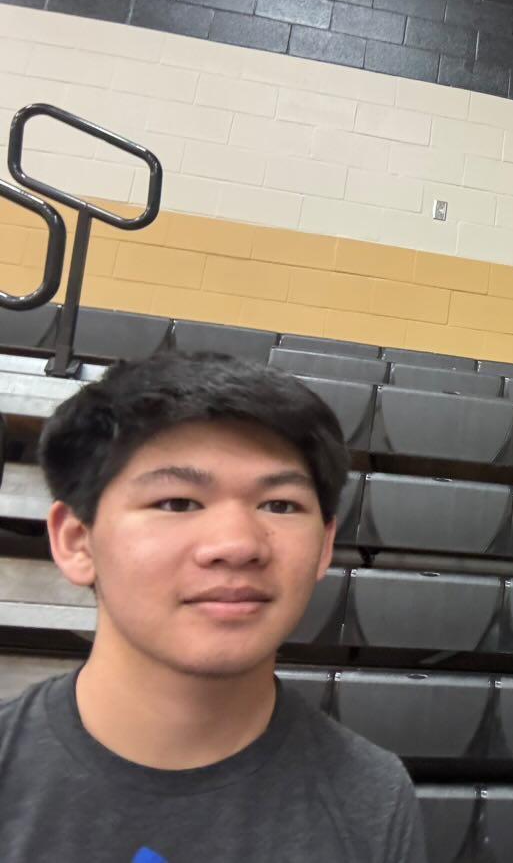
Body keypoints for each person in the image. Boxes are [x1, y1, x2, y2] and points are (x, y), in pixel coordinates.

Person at [0, 352, 427, 862]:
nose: (238, 545)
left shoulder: (373, 796)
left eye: (280, 505)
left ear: (324, 546)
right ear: (77, 542)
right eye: (177, 502)